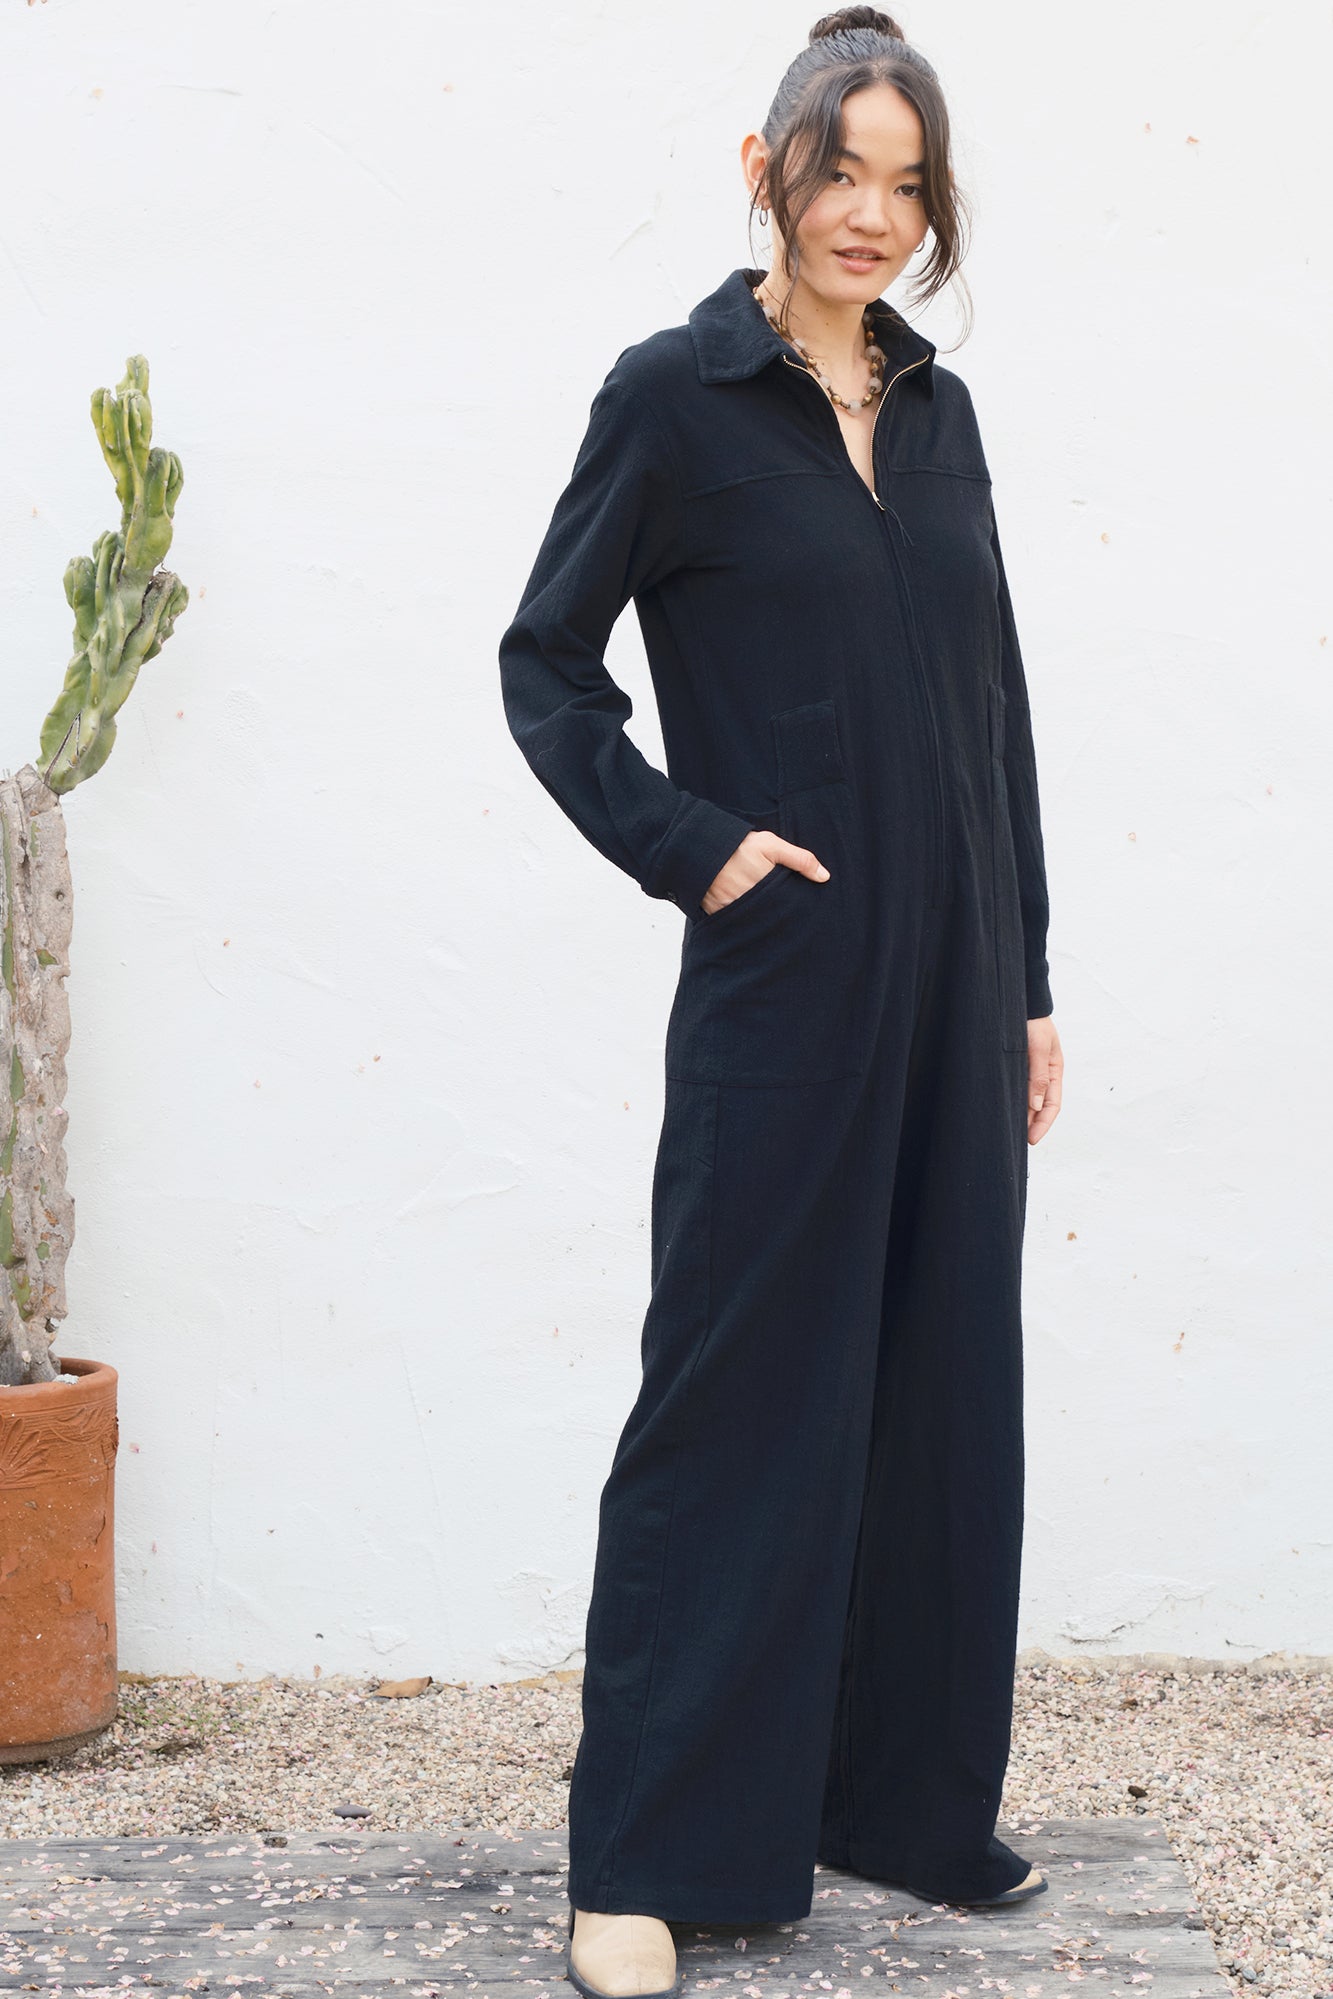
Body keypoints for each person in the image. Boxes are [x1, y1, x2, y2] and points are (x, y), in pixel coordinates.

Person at [498, 9, 1065, 1995]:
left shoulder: (940, 414)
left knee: (937, 1385)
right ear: (768, 170)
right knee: (738, 1393)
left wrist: (1032, 980)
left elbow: (989, 711)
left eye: (908, 184)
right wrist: (695, 844)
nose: (873, 215)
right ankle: (646, 1857)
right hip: (788, 979)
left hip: (959, 975)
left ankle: (898, 1801)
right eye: (843, 171)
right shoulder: (675, 399)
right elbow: (545, 668)